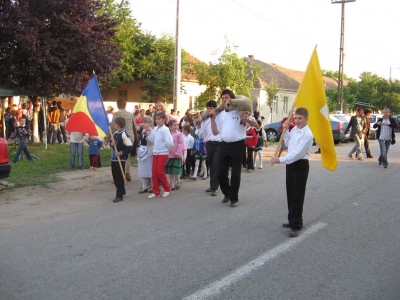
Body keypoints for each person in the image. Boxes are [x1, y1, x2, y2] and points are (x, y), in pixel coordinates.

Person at [210, 90, 259, 207]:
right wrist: (212, 118)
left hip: (238, 145)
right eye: (222, 98)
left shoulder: (240, 110)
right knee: (221, 172)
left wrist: (247, 119)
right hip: (224, 145)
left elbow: (256, 125)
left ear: (232, 99)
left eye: (226, 98)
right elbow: (215, 132)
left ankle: (234, 198)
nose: (224, 100)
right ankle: (227, 193)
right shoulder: (221, 114)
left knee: (236, 173)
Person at [270, 107, 313, 238]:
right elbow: (289, 143)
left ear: (306, 119)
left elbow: (298, 154)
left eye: (300, 118)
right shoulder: (295, 129)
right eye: (296, 118)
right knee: (290, 193)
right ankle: (291, 219)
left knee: (297, 195)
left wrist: (280, 159)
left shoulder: (308, 134)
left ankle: (297, 224)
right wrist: (286, 131)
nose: (297, 120)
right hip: (291, 164)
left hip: (300, 164)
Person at [146, 112, 174, 198]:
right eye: (156, 119)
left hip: (163, 153)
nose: (157, 121)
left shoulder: (165, 130)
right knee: (154, 172)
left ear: (164, 120)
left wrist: (166, 150)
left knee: (160, 172)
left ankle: (167, 188)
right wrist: (148, 135)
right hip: (156, 152)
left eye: (159, 119)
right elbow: (152, 140)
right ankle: (156, 191)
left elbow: (170, 142)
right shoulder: (155, 129)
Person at [198, 100, 222, 196]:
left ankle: (215, 187)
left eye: (211, 108)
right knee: (211, 165)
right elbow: (202, 135)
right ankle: (212, 185)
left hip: (219, 144)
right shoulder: (205, 120)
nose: (209, 110)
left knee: (216, 165)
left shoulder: (219, 118)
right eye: (207, 108)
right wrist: (199, 126)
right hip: (209, 144)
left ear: (215, 108)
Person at [111, 98, 138, 181]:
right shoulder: (130, 114)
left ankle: (121, 175)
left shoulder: (116, 114)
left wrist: (110, 137)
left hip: (120, 137)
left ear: (117, 105)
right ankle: (127, 174)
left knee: (121, 157)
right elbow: (135, 127)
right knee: (127, 156)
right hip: (130, 137)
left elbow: (112, 127)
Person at [110, 117, 133, 203]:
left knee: (119, 177)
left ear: (118, 125)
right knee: (115, 176)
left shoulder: (124, 134)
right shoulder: (116, 133)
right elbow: (112, 144)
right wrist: (111, 144)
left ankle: (119, 194)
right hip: (114, 158)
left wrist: (121, 152)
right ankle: (122, 190)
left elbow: (130, 147)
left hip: (121, 159)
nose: (114, 125)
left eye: (115, 123)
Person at [165, 119, 185, 190]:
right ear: (170, 126)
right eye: (174, 125)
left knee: (176, 171)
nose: (176, 127)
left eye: (177, 125)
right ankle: (172, 185)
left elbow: (180, 144)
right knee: (171, 171)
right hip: (169, 155)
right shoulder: (168, 133)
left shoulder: (179, 134)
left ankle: (178, 181)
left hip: (177, 155)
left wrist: (178, 152)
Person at [137, 116, 154, 194]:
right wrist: (138, 146)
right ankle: (144, 186)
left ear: (150, 124)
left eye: (145, 123)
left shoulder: (153, 131)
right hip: (142, 150)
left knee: (149, 168)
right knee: (142, 169)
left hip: (149, 150)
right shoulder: (142, 130)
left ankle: (152, 185)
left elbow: (152, 142)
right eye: (143, 123)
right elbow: (141, 140)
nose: (143, 124)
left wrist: (148, 135)